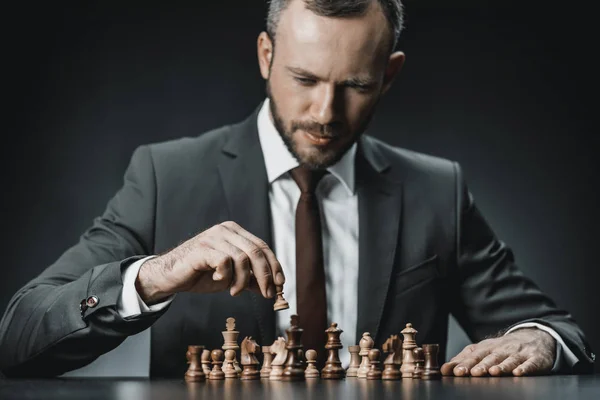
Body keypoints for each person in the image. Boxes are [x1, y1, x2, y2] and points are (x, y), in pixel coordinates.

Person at [0, 0, 594, 378]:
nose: (325, 113)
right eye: (304, 78)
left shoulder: (438, 189)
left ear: (389, 74)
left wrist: (537, 341)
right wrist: (153, 274)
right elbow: (20, 334)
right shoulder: (165, 175)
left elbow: (557, 330)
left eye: (356, 84)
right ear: (266, 55)